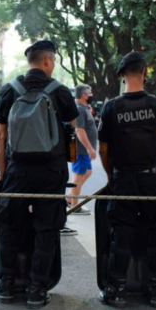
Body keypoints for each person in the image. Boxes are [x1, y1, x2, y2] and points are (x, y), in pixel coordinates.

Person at [0, 40, 79, 309]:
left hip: (18, 171)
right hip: (52, 171)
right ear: (48, 61)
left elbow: (1, 137)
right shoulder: (60, 92)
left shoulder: (9, 90)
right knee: (47, 228)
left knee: (9, 226)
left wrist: (5, 175)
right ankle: (37, 289)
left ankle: (6, 284)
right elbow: (71, 136)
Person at [97, 51, 156, 308]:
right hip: (155, 181)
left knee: (121, 235)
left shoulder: (111, 107)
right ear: (145, 73)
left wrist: (112, 174)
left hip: (124, 180)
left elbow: (104, 149)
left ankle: (116, 290)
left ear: (122, 74)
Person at [68, 85, 98, 215]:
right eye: (90, 93)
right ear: (84, 95)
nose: (92, 95)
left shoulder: (84, 108)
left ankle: (70, 198)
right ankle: (74, 206)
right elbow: (79, 130)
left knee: (88, 172)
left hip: (83, 151)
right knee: (78, 177)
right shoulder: (79, 109)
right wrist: (90, 148)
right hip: (81, 150)